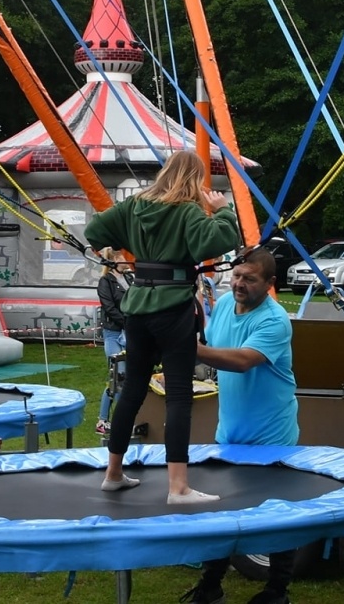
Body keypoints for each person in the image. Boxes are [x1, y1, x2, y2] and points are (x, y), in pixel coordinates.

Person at [87, 150, 241, 503]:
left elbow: (96, 231)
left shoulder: (134, 207)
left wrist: (131, 241)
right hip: (173, 309)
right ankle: (178, 486)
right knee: (179, 395)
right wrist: (221, 210)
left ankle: (113, 473)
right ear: (193, 180)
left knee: (132, 390)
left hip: (138, 305)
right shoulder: (187, 211)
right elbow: (218, 241)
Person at [181, 248, 299, 604]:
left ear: (269, 283)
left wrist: (190, 350)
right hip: (229, 435)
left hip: (272, 437)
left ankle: (277, 591)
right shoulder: (223, 310)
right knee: (223, 512)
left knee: (278, 516)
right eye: (236, 276)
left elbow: (244, 360)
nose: (239, 284)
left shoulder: (274, 320)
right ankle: (211, 584)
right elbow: (212, 347)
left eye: (249, 279)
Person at [95, 248, 132, 436]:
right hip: (113, 333)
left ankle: (117, 419)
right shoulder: (106, 281)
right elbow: (108, 307)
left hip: (129, 333)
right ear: (115, 259)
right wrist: (127, 322)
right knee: (118, 375)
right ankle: (106, 419)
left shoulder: (129, 279)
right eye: (123, 256)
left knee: (125, 377)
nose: (127, 259)